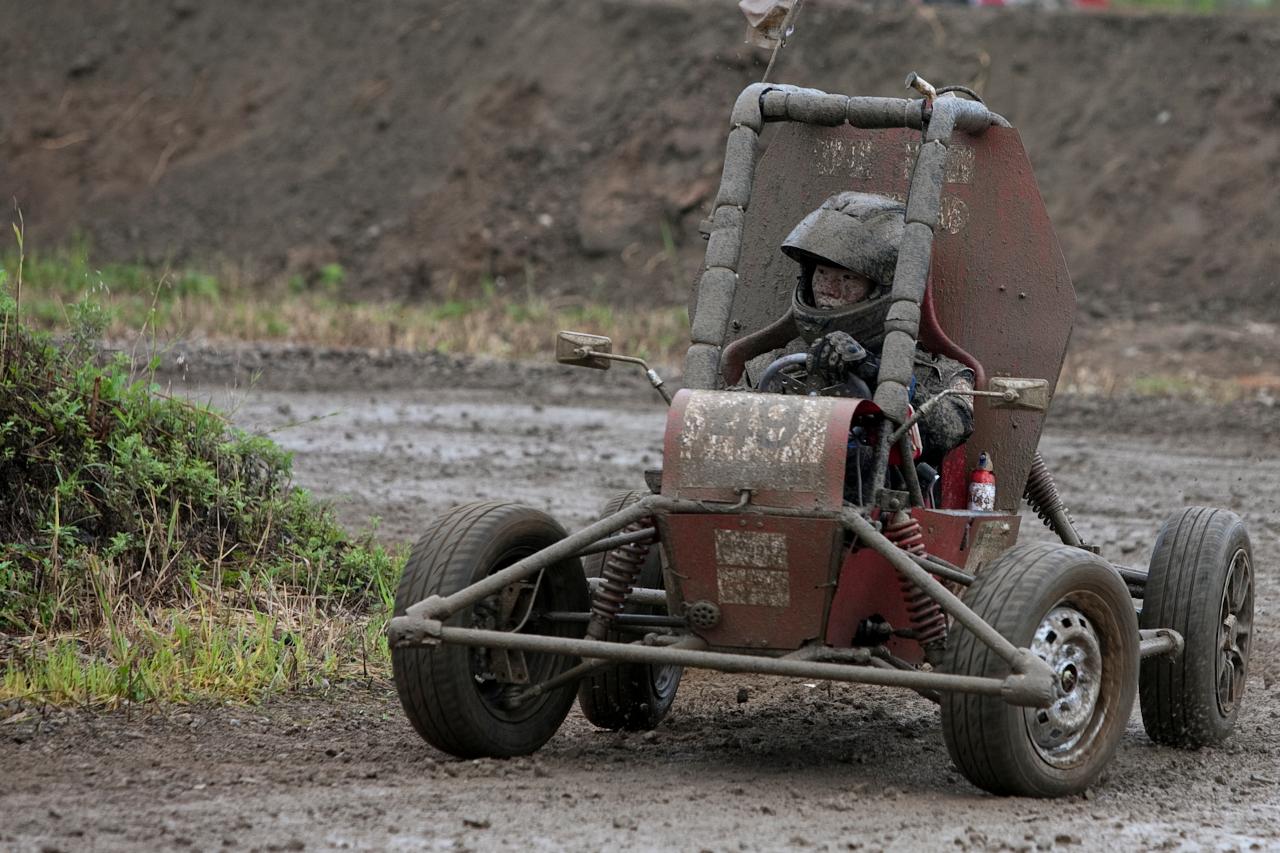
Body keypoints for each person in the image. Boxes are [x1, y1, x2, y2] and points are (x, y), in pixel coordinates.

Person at [720, 191, 975, 470]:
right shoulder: (768, 367)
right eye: (821, 274)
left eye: (847, 278)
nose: (828, 289)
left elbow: (953, 429)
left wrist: (880, 374)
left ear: (881, 290)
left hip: (883, 506)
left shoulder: (939, 373)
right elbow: (724, 437)